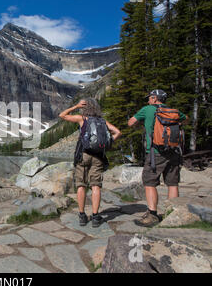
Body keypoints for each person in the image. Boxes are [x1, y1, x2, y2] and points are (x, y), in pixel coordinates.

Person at [128, 89, 188, 227]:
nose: (148, 100)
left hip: (156, 151)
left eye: (149, 98)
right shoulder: (174, 111)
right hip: (174, 150)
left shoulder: (148, 109)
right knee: (172, 183)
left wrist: (143, 122)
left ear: (155, 98)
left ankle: (152, 215)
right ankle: (172, 214)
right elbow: (186, 120)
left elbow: (131, 123)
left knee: (149, 182)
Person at [59, 98, 121, 227]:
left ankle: (82, 215)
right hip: (98, 156)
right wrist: (108, 143)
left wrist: (75, 106)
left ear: (85, 108)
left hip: (83, 155)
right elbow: (117, 132)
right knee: (95, 186)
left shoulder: (82, 119)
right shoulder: (103, 121)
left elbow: (62, 115)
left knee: (81, 185)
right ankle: (95, 216)